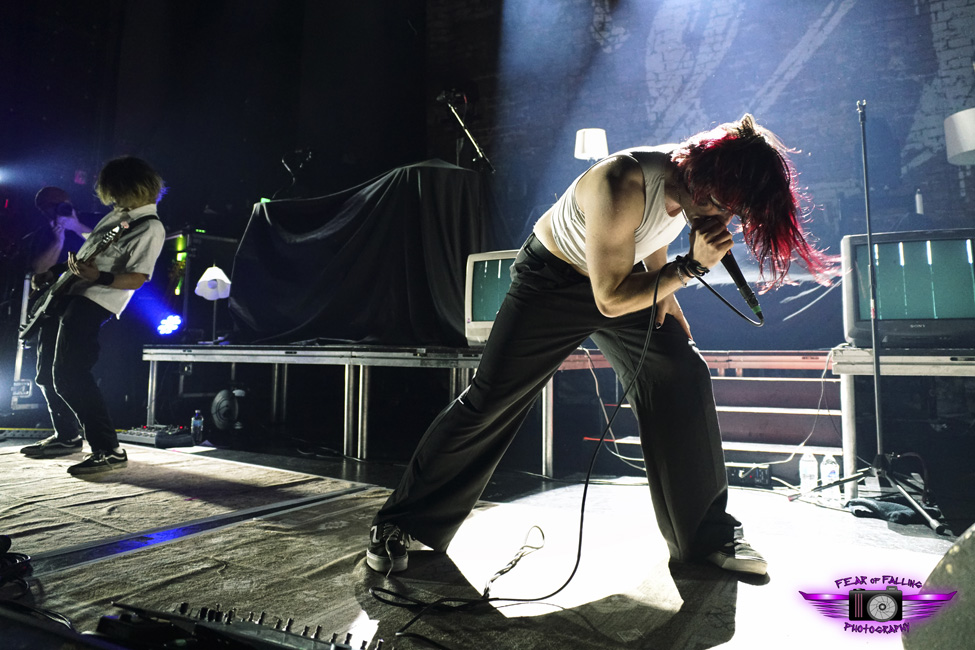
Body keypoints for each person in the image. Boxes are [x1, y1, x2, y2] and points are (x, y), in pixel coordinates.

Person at [366, 114, 835, 576]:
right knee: (491, 399)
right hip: (552, 281)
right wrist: (688, 269)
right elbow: (608, 300)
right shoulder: (622, 179)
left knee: (682, 372)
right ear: (697, 174)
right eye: (717, 205)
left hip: (623, 275)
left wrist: (667, 293)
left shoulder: (694, 188)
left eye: (733, 211)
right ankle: (401, 524)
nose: (722, 217)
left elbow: (653, 232)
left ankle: (708, 537)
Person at [20, 157, 167, 475]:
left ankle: (109, 449)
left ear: (129, 187)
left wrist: (96, 278)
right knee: (46, 374)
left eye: (114, 191)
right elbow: (94, 254)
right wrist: (59, 273)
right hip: (68, 294)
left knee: (70, 373)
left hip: (95, 301)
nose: (110, 198)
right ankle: (68, 436)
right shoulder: (122, 219)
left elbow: (138, 277)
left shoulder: (151, 227)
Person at [26, 186, 92, 275]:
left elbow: (109, 243)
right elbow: (40, 270)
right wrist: (58, 242)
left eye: (60, 203)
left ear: (69, 202)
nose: (57, 209)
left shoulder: (91, 219)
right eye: (49, 206)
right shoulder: (41, 234)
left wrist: (77, 227)